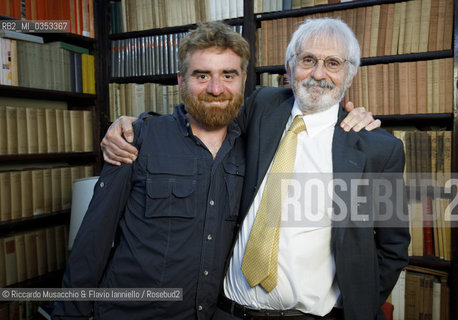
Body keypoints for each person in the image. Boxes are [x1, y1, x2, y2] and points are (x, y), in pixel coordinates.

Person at [100, 19, 404, 320]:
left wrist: (359, 305)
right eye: (308, 60)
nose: (318, 73)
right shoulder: (263, 106)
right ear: (289, 68)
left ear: (350, 74)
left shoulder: (379, 150)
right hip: (226, 310)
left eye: (333, 63)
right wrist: (138, 127)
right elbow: (205, 117)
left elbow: (393, 247)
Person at [52, 21, 250, 320]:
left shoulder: (252, 147)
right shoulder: (137, 139)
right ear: (181, 80)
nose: (216, 88)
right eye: (201, 75)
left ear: (243, 80)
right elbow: (92, 241)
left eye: (228, 75)